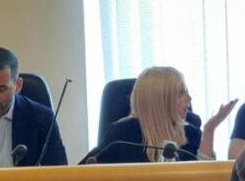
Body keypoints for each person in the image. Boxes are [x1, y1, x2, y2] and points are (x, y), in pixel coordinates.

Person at [95, 67, 237, 163]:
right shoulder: (121, 135)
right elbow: (90, 170)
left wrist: (209, 130)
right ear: (160, 101)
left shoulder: (190, 132)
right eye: (181, 93)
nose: (189, 99)